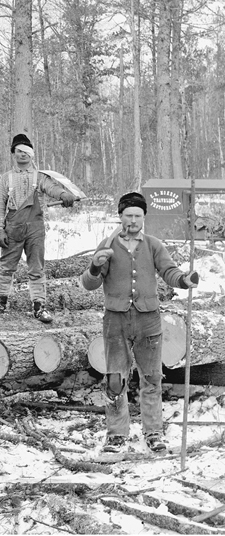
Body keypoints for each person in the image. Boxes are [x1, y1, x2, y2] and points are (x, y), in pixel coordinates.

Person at [81, 192, 199, 453]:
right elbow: (89, 284)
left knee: (152, 378)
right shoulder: (108, 244)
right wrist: (93, 266)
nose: (132, 220)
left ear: (144, 218)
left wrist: (184, 280)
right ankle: (116, 435)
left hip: (149, 321)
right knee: (115, 380)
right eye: (128, 215)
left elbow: (169, 271)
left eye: (137, 215)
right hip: (116, 321)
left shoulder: (153, 245)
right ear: (120, 217)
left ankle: (154, 432)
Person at [0, 133, 78, 323]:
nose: (23, 155)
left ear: (32, 155)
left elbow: (51, 188)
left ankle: (39, 306)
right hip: (12, 227)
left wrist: (63, 194)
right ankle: (0, 301)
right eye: (19, 151)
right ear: (13, 154)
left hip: (35, 228)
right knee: (6, 266)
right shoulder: (6, 179)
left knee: (36, 267)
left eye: (26, 151)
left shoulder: (40, 177)